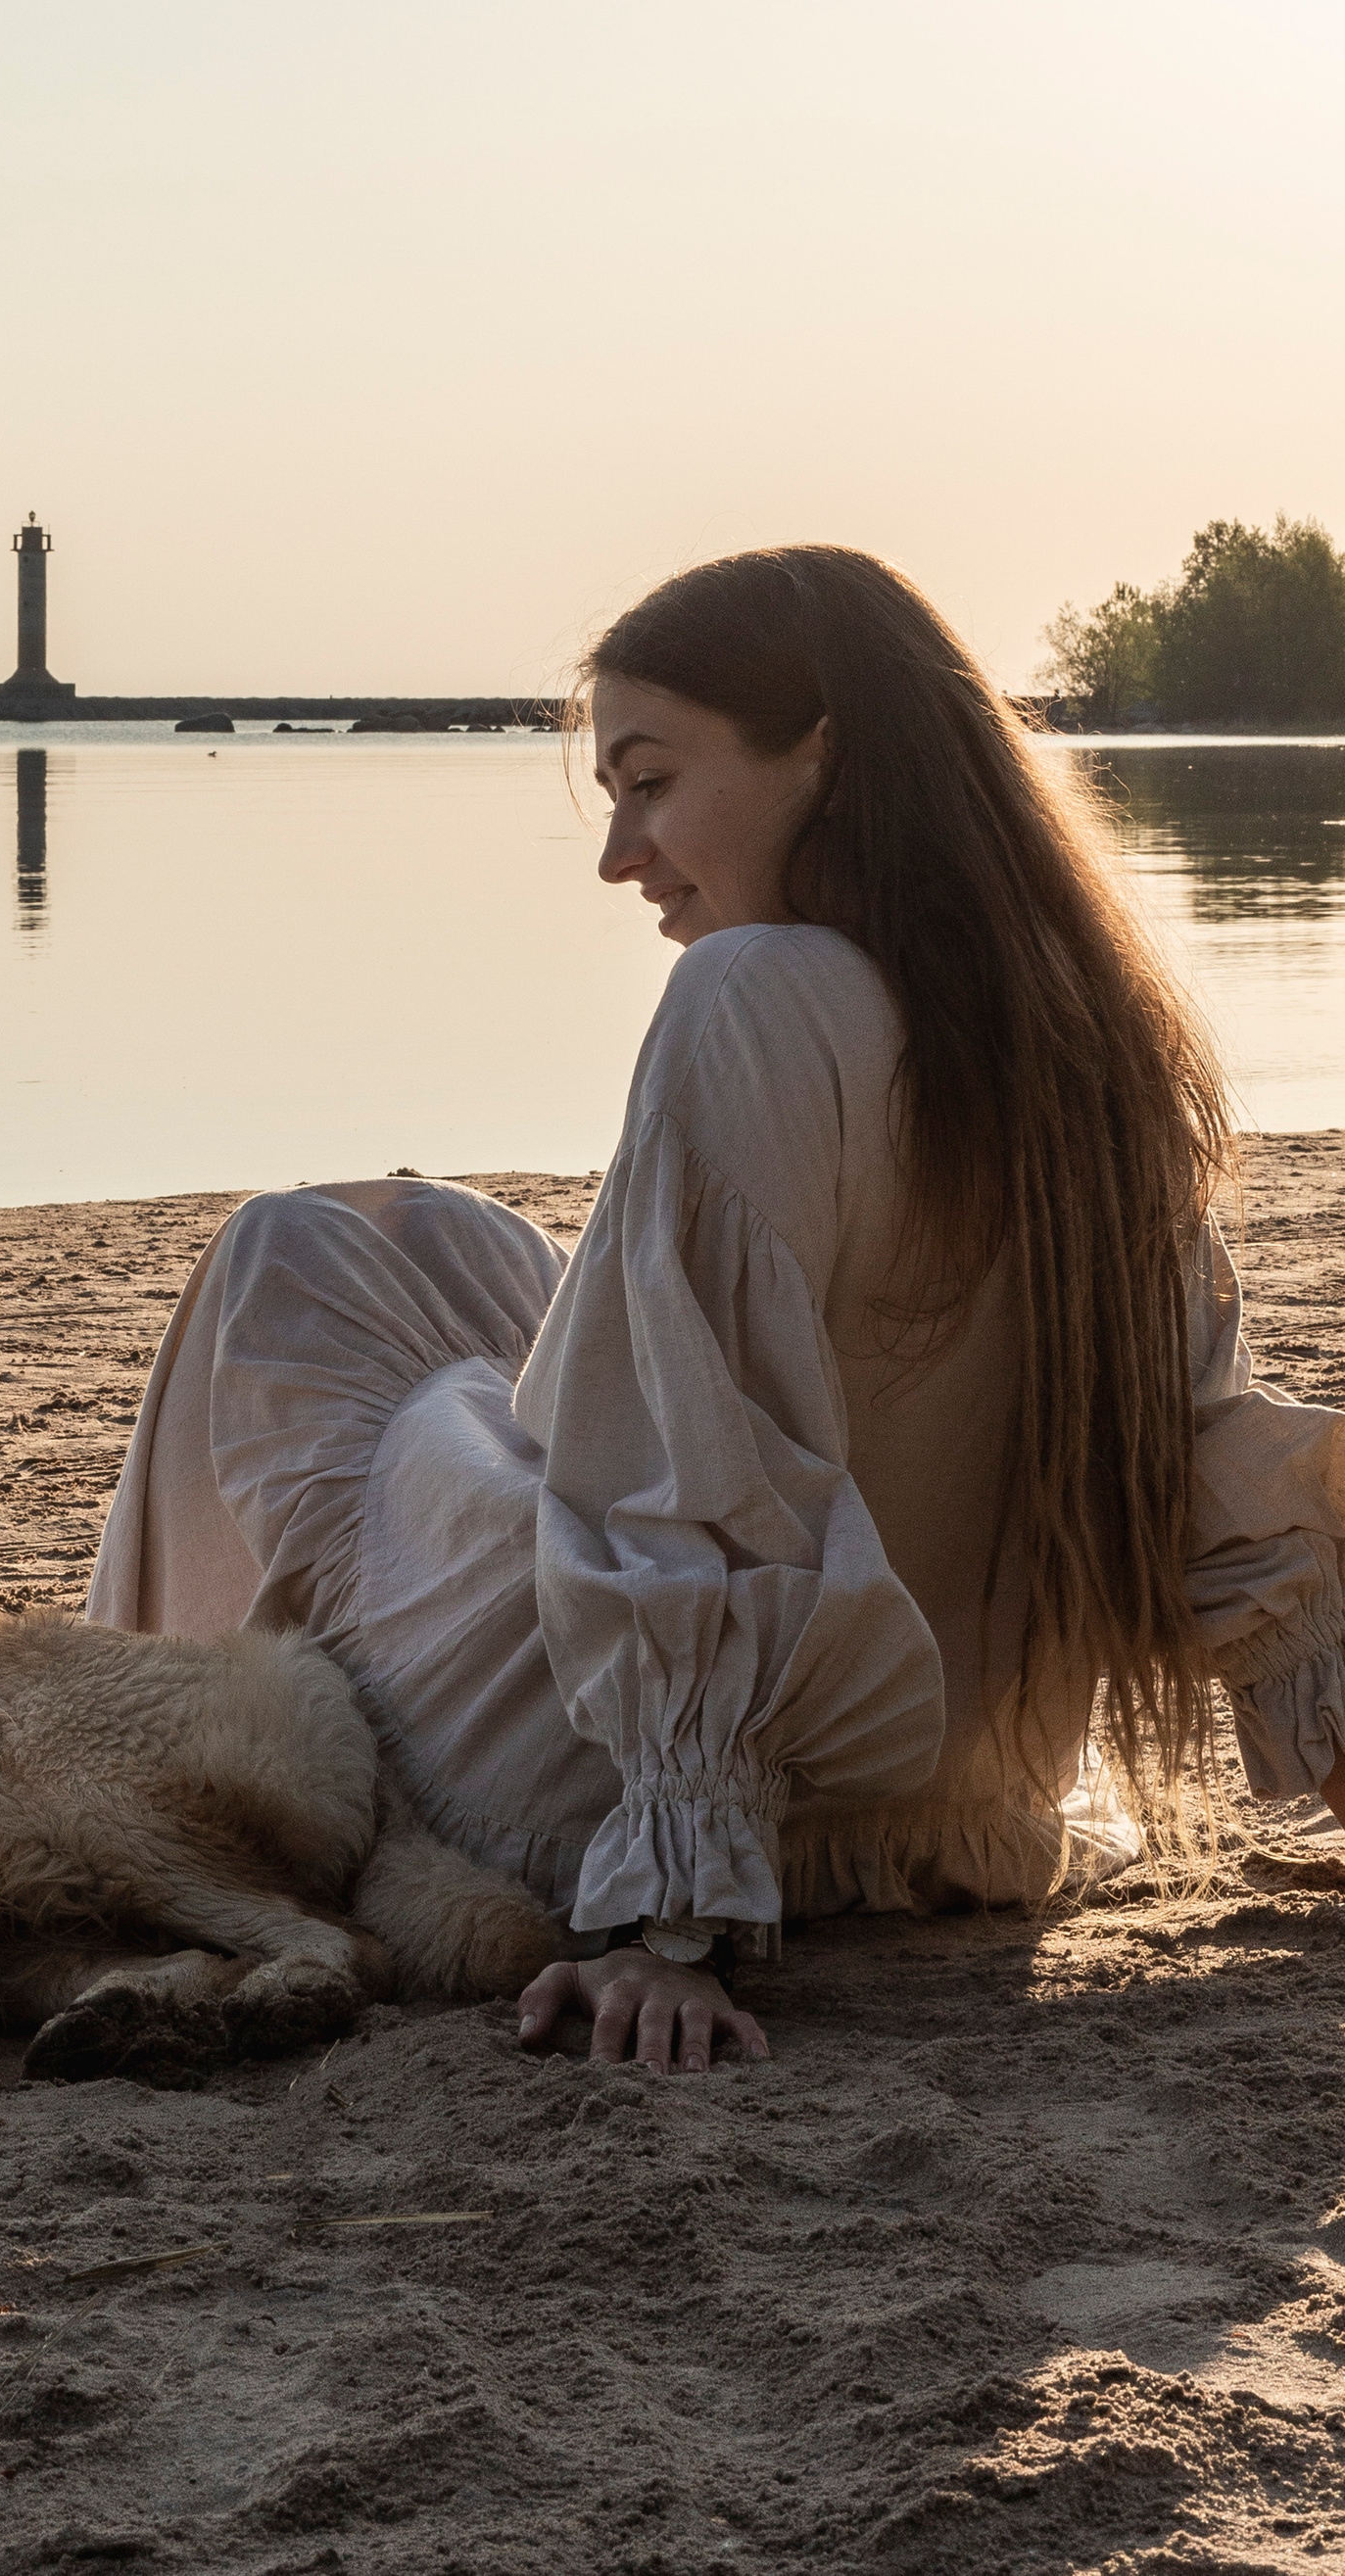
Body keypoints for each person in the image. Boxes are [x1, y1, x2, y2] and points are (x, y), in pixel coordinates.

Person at [85, 547, 1345, 2073]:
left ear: (824, 751)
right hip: (954, 1805)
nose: (622, 853)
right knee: (454, 1246)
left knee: (289, 1264)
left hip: (605, 1782)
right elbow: (1198, 1446)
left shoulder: (756, 992)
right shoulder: (1094, 1043)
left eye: (653, 780)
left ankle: (165, 1781)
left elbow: (703, 1472)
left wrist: (673, 1921)